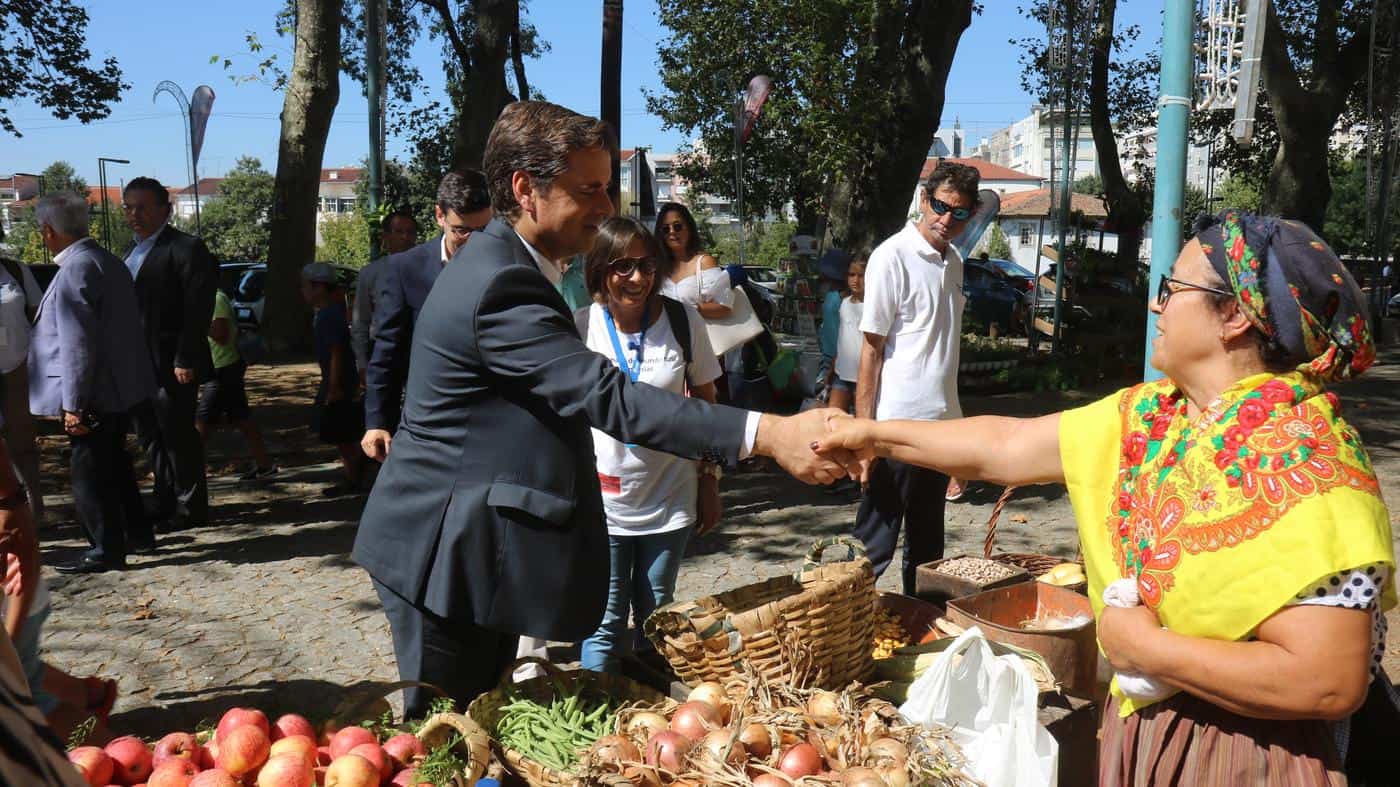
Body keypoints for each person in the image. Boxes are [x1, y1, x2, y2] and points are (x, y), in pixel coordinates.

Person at [817, 212, 1396, 785]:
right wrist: (873, 434)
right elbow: (1007, 443)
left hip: (1248, 755)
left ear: (1237, 317)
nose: (1154, 304)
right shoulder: (1154, 416)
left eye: (1172, 289)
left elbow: (1327, 679)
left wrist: (1145, 646)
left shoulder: (1308, 460)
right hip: (1147, 729)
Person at [351, 100, 848, 719]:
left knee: (476, 727)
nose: (607, 207)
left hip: (468, 551)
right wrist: (768, 432)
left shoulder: (511, 267)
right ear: (525, 189)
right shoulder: (501, 284)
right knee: (447, 739)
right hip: (443, 558)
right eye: (589, 189)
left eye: (607, 187)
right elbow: (607, 397)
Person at [574, 217, 724, 674]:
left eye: (645, 265)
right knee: (602, 622)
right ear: (600, 270)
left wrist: (710, 480)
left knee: (659, 618)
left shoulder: (683, 321)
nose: (636, 278)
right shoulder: (581, 327)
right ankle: (594, 727)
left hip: (669, 495)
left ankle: (655, 720)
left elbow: (708, 409)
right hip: (603, 502)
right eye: (622, 266)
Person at [852, 161, 979, 594]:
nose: (947, 219)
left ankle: (920, 634)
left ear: (971, 215)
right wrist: (864, 436)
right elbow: (871, 351)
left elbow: (945, 354)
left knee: (930, 552)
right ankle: (841, 633)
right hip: (895, 427)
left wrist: (957, 431)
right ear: (924, 200)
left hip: (940, 431)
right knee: (873, 548)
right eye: (941, 207)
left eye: (959, 213)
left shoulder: (956, 262)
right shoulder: (892, 257)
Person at [30, 193, 158, 573]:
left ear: (48, 231)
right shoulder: (107, 260)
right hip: (119, 386)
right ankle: (138, 534)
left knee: (89, 471)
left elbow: (76, 345)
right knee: (115, 465)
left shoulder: (76, 269)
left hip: (94, 391)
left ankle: (104, 548)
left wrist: (73, 403)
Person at [362, 173, 493, 461]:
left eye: (483, 230)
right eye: (461, 231)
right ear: (439, 216)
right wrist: (377, 422)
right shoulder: (404, 270)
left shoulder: (506, 264)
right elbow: (388, 350)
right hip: (428, 421)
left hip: (492, 420)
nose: (473, 242)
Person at [122, 177, 217, 531]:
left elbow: (197, 308)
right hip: (137, 363)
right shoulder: (130, 251)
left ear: (165, 209)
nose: (135, 214)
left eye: (143, 207)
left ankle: (190, 506)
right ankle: (163, 499)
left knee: (177, 433)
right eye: (129, 207)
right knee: (149, 434)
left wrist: (185, 358)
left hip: (171, 362)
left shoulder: (186, 248)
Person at [196, 287, 275, 480]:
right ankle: (265, 465)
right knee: (241, 418)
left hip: (223, 369)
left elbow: (220, 334)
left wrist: (195, 322)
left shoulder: (215, 299)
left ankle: (189, 471)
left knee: (202, 421)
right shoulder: (210, 297)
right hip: (223, 367)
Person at [302, 263, 364, 496]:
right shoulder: (328, 312)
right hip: (336, 380)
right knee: (343, 433)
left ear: (318, 287)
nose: (303, 292)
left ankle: (354, 477)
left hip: (339, 382)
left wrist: (334, 386)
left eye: (306, 286)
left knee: (344, 433)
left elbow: (336, 351)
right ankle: (354, 475)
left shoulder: (329, 315)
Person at [0, 255, 44, 525]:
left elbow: (38, 313)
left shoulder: (15, 270)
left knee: (23, 445)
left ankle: (34, 512)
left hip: (18, 368)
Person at [352, 210, 418, 385]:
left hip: (418, 351)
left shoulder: (426, 270)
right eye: (399, 232)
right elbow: (361, 322)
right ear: (386, 236)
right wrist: (362, 363)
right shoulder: (370, 274)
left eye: (411, 232)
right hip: (382, 352)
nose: (405, 237)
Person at [827, 256, 866, 414]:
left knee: (861, 424)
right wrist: (831, 369)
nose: (855, 280)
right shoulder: (844, 303)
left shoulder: (873, 305)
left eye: (861, 275)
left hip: (863, 378)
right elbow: (843, 340)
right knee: (833, 419)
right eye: (852, 275)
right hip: (841, 374)